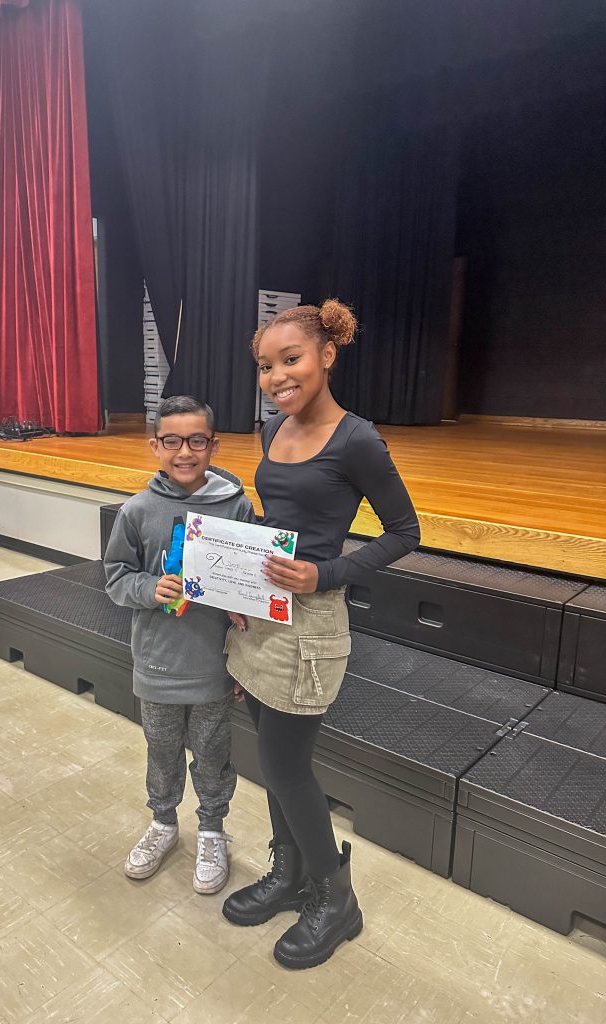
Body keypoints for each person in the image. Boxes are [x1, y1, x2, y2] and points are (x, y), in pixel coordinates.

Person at [222, 299, 420, 969]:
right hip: (261, 614)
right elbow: (273, 514)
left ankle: (337, 899)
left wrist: (327, 574)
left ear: (327, 356)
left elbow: (405, 532)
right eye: (264, 365)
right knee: (271, 755)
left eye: (291, 359)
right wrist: (231, 581)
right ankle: (291, 876)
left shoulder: (357, 439)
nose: (276, 375)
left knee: (283, 763)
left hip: (311, 621)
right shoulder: (271, 429)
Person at [104, 395, 255, 895]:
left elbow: (251, 584)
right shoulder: (136, 511)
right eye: (172, 441)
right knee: (161, 751)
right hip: (158, 666)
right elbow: (115, 579)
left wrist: (246, 657)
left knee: (213, 754)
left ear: (213, 445)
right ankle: (164, 823)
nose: (184, 452)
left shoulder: (237, 506)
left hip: (214, 666)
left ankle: (212, 829)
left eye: (196, 440)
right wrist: (150, 588)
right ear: (155, 446)